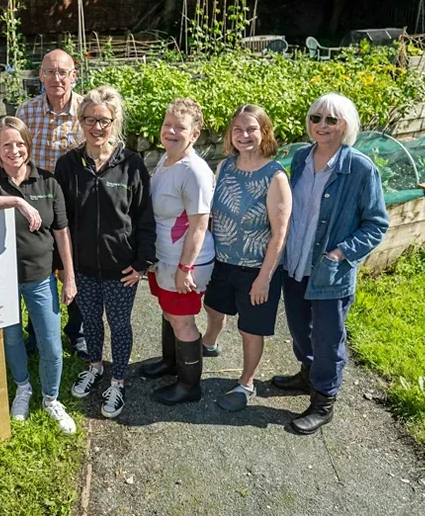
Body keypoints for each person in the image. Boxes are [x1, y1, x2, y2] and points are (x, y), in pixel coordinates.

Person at [272, 93, 389, 434]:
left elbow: (376, 223)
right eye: (315, 118)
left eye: (330, 120)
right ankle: (307, 373)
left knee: (328, 338)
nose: (321, 125)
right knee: (298, 327)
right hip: (295, 263)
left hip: (328, 272)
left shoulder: (359, 169)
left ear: (346, 126)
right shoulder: (300, 158)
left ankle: (323, 401)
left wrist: (341, 253)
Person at [0, 117, 79, 435]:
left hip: (41, 277)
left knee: (51, 344)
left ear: (28, 145)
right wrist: (16, 202)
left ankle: (51, 398)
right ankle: (23, 387)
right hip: (2, 281)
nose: (14, 150)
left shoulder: (48, 182)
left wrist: (68, 276)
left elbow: (61, 231)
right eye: (6, 145)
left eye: (20, 143)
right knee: (12, 338)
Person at [55, 85, 156, 418]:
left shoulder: (131, 164)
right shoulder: (68, 164)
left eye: (104, 120)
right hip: (83, 267)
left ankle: (119, 380)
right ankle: (96, 366)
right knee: (90, 323)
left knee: (120, 324)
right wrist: (63, 265)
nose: (96, 128)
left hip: (121, 269)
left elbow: (144, 217)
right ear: (80, 121)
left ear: (115, 121)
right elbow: (61, 220)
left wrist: (141, 263)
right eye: (89, 120)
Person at [202, 105, 292, 412]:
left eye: (251, 129)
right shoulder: (225, 166)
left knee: (250, 329)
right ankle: (210, 341)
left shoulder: (274, 175)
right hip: (223, 260)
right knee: (213, 306)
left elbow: (280, 234)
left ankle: (246, 382)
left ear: (264, 132)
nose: (244, 135)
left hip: (256, 267)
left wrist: (264, 279)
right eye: (238, 129)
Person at [140, 98, 216, 405]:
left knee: (182, 319)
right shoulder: (166, 159)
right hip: (165, 257)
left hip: (185, 261)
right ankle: (170, 363)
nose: (171, 131)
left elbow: (199, 226)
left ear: (195, 134)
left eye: (180, 127)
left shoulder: (193, 170)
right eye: (167, 124)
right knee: (170, 311)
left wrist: (186, 268)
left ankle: (189, 386)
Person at [15, 49, 87, 357]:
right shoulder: (26, 112)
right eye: (49, 72)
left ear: (74, 75)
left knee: (78, 268)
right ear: (40, 76)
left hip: (78, 203)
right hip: (39, 203)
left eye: (63, 72)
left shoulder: (88, 110)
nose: (56, 78)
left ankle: (78, 332)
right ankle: (37, 333)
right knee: (40, 269)